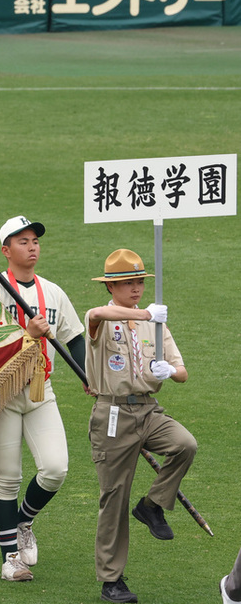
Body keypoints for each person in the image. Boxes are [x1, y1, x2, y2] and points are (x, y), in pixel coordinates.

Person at [85, 248, 195, 604]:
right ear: (112, 286)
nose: (136, 288)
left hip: (148, 410)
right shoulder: (102, 319)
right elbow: (97, 313)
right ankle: (111, 580)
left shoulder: (155, 323)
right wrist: (146, 313)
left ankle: (152, 505)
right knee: (114, 498)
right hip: (113, 414)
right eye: (128, 283)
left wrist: (170, 372)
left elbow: (181, 371)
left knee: (184, 444)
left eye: (139, 282)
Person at [0, 216, 85, 581]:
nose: (32, 247)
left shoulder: (53, 292)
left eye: (35, 241)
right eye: (23, 241)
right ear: (5, 251)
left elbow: (74, 337)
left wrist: (87, 375)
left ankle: (23, 520)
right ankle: (10, 559)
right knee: (7, 477)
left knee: (55, 469)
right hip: (2, 394)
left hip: (43, 391)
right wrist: (26, 333)